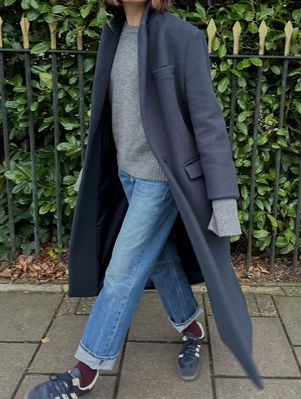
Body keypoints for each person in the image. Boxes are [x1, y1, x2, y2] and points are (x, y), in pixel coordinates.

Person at [25, 1, 242, 398]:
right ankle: (192, 326)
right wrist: (92, 175)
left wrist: (223, 198)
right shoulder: (112, 33)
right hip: (125, 173)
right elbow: (109, 116)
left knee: (122, 272)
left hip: (161, 180)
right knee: (160, 260)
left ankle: (84, 372)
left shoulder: (182, 38)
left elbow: (208, 120)